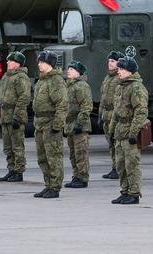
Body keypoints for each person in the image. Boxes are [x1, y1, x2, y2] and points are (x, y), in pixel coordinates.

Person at [109, 57, 148, 205]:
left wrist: (133, 132)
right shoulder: (120, 87)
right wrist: (112, 130)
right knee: (121, 165)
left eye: (121, 69)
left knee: (132, 164)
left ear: (130, 71)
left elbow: (141, 111)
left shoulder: (136, 87)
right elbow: (116, 111)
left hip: (130, 129)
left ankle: (134, 193)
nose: (118, 71)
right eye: (118, 69)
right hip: (120, 130)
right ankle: (125, 191)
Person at [32, 50, 67, 199]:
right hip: (40, 123)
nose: (39, 65)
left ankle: (55, 186)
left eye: (42, 62)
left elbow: (62, 104)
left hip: (50, 123)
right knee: (42, 157)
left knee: (53, 157)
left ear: (50, 64)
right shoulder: (42, 80)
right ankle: (48, 184)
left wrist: (57, 125)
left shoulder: (56, 80)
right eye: (39, 62)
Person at [0, 52, 31, 183]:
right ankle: (11, 169)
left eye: (11, 61)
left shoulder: (21, 77)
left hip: (15, 115)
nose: (7, 62)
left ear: (18, 64)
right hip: (5, 115)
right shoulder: (6, 77)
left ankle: (19, 171)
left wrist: (17, 116)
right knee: (7, 146)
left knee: (17, 145)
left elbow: (24, 98)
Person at [64, 60, 93, 189]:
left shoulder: (81, 86)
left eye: (72, 69)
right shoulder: (69, 86)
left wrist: (80, 123)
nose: (68, 71)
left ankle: (82, 177)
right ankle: (76, 176)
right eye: (68, 69)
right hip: (70, 125)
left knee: (81, 153)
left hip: (79, 125)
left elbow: (86, 106)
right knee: (73, 154)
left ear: (78, 72)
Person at [99, 51, 123, 179]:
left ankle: (120, 168)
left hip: (115, 115)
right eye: (109, 61)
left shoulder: (120, 78)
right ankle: (114, 167)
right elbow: (103, 98)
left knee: (117, 144)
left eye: (113, 61)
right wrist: (100, 114)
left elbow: (120, 101)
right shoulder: (107, 78)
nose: (110, 63)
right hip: (107, 115)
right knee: (111, 144)